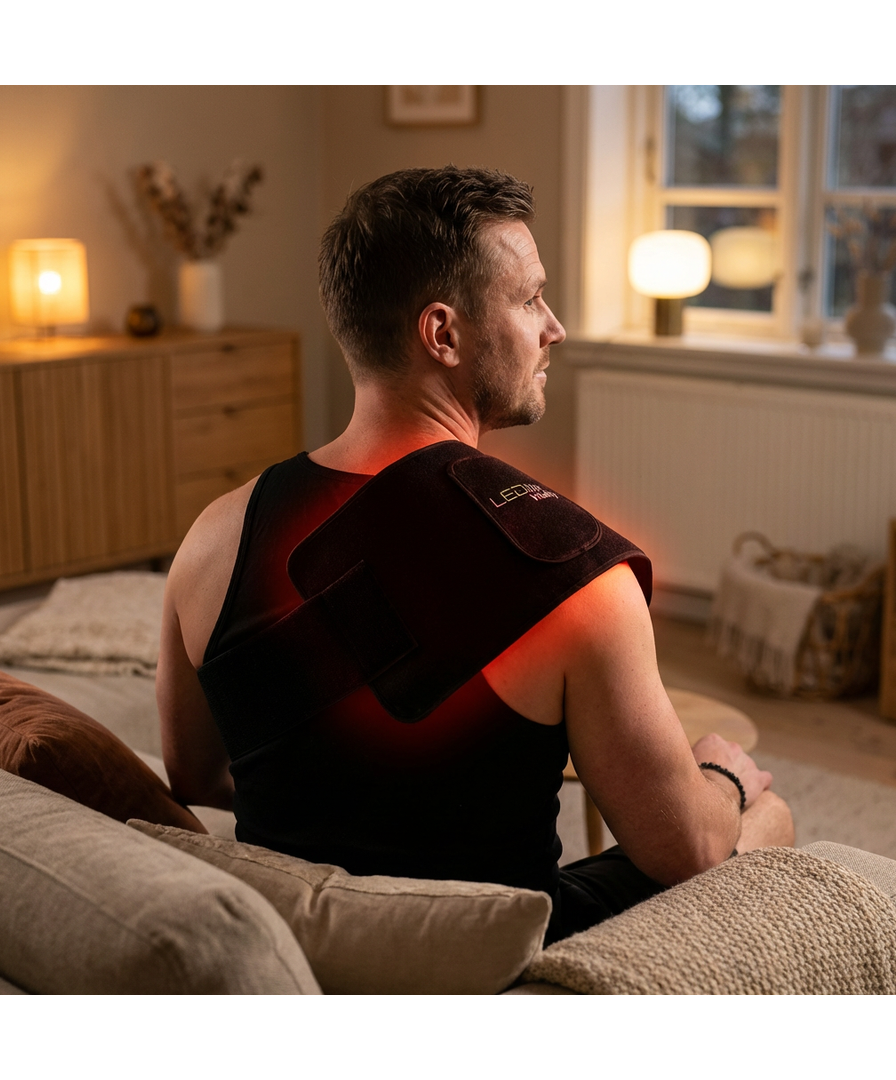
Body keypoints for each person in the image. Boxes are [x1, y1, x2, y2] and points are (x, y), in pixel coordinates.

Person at [157, 166, 793, 943]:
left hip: (292, 932)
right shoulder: (576, 578)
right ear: (443, 334)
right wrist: (722, 776)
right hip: (488, 949)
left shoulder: (214, 534)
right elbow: (687, 849)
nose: (554, 327)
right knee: (766, 815)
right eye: (530, 299)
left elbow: (195, 775)